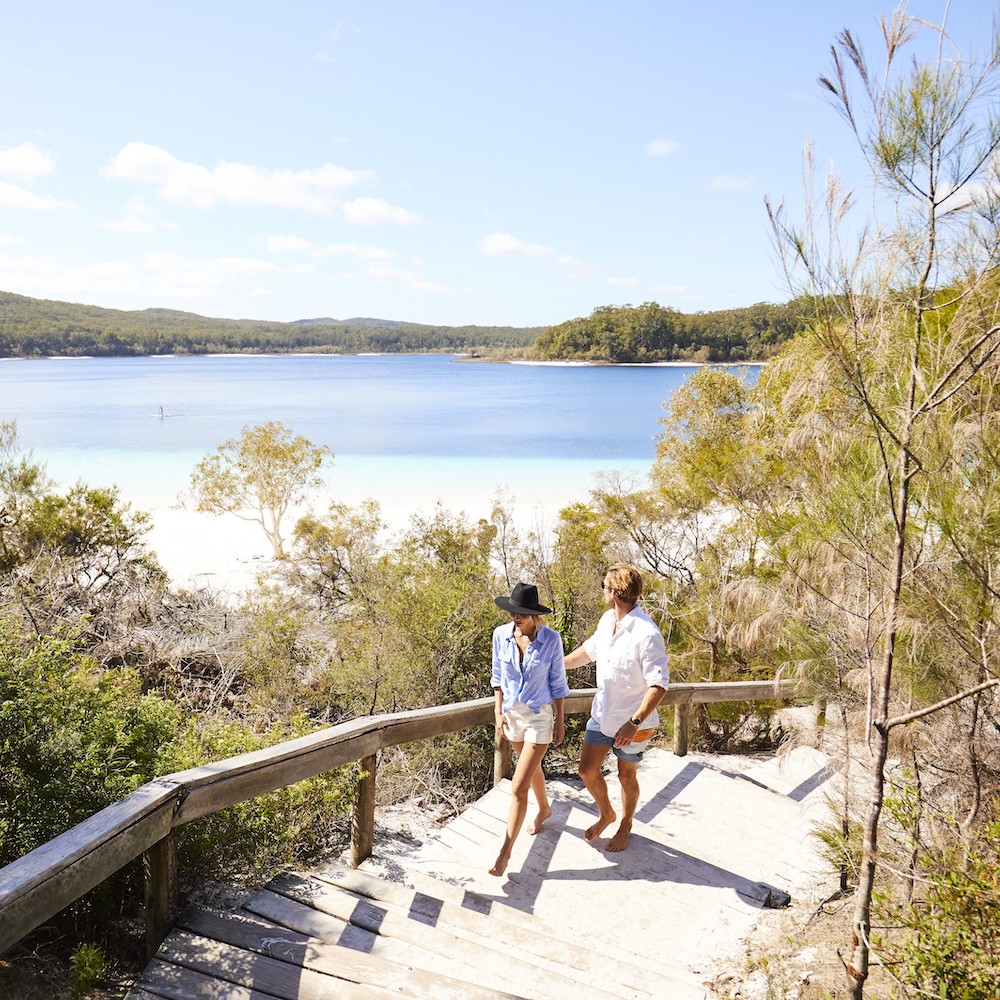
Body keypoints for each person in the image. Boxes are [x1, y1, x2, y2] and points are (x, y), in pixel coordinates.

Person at [563, 563, 668, 853]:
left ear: (614, 592)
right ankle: (606, 813)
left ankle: (625, 824)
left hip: (634, 724)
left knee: (626, 775)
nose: (603, 591)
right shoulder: (607, 620)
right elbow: (588, 651)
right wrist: (556, 665)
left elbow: (658, 685)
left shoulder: (646, 633)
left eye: (605, 586)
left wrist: (633, 722)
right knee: (586, 770)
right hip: (602, 715)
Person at [489, 582, 570, 877]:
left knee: (518, 786)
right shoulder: (501, 636)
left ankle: (505, 853)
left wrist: (560, 720)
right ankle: (545, 809)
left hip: (539, 716)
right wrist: (498, 711)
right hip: (513, 716)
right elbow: (497, 676)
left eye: (521, 613)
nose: (516, 617)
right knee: (531, 767)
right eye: (512, 612)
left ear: (534, 614)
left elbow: (558, 684)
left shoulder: (551, 640)